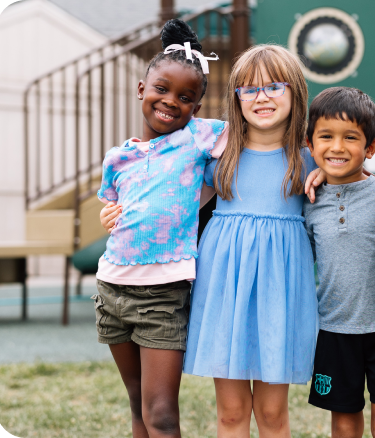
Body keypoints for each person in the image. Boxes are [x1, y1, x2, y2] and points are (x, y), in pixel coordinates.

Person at [94, 19, 227, 438]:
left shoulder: (198, 139)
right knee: (138, 406)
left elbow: (254, 130)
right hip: (111, 287)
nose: (171, 101)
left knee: (163, 415)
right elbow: (115, 205)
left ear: (196, 109)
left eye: (186, 97)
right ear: (141, 90)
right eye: (161, 89)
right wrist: (107, 216)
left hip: (162, 296)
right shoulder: (118, 158)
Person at [182, 45, 318, 436]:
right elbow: (170, 199)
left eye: (274, 86)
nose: (261, 97)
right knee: (230, 412)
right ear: (236, 98)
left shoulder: (310, 160)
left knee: (273, 414)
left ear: (295, 93)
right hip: (225, 287)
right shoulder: (217, 156)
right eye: (249, 89)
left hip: (280, 289)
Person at [303, 87, 375, 438]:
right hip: (333, 329)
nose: (337, 147)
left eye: (351, 138)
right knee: (344, 424)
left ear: (371, 147)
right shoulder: (306, 199)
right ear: (310, 143)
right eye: (326, 137)